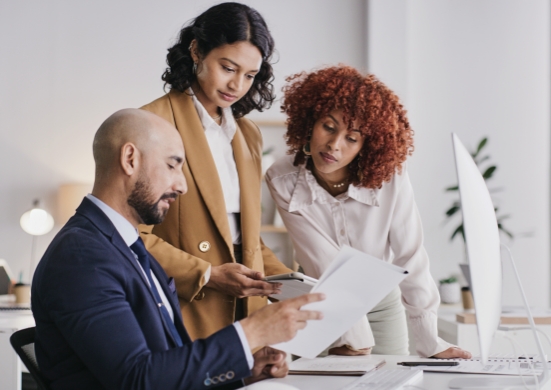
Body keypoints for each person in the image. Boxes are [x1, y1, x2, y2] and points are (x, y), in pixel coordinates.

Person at [31, 108, 324, 390]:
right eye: (173, 165)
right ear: (130, 159)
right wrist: (252, 333)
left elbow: (166, 369)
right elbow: (137, 380)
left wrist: (243, 375)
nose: (182, 185)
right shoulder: (81, 257)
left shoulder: (127, 246)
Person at [265, 66, 472, 359]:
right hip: (320, 300)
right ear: (311, 121)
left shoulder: (391, 177)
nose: (334, 145)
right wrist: (353, 336)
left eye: (352, 138)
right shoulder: (282, 178)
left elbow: (409, 255)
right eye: (329, 126)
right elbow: (320, 259)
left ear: (367, 145)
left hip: (382, 303)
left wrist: (430, 340)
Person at [139, 2, 293, 340]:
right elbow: (131, 236)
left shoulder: (248, 134)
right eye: (228, 67)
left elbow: (244, 239)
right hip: (184, 310)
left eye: (250, 75)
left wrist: (295, 286)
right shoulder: (152, 125)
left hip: (246, 315)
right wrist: (207, 274)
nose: (237, 84)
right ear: (196, 50)